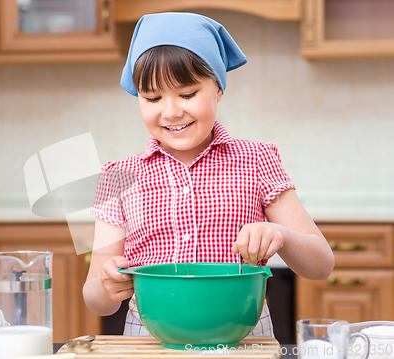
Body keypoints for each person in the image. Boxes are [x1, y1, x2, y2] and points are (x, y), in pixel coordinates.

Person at [83, 12, 334, 337]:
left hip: (243, 337)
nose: (171, 111)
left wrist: (281, 235)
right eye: (152, 98)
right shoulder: (116, 175)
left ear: (218, 88)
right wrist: (105, 286)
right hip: (151, 341)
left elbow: (322, 265)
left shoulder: (257, 160)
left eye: (187, 94)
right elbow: (93, 297)